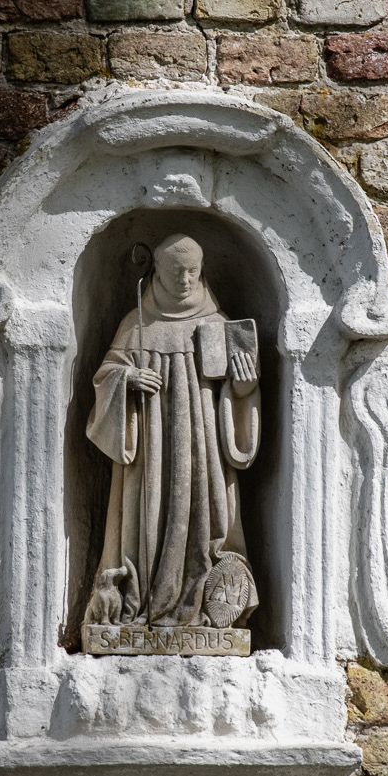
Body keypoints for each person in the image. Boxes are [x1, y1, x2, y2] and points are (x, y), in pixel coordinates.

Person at [83, 232, 260, 635]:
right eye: (175, 271)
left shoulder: (217, 324)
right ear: (157, 272)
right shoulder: (137, 324)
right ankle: (141, 602)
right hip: (151, 449)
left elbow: (236, 392)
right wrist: (127, 379)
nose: (184, 280)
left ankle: (204, 605)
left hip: (204, 447)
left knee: (205, 513)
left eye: (192, 272)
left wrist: (244, 387)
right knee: (148, 517)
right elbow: (105, 378)